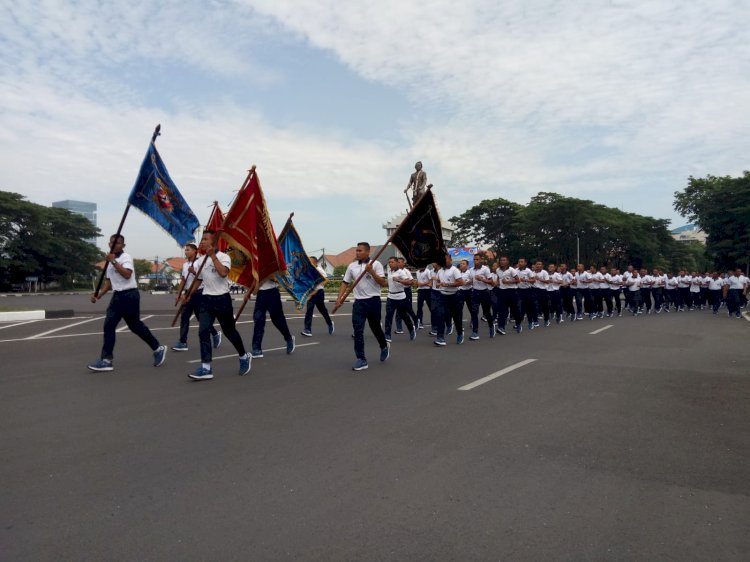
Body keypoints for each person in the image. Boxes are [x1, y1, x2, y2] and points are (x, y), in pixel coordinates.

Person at [87, 234, 167, 372]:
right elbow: (109, 283)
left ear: (123, 246)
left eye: (118, 243)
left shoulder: (125, 258)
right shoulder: (109, 262)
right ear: (109, 244)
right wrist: (98, 295)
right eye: (113, 242)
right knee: (109, 325)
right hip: (117, 296)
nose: (115, 245)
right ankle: (106, 360)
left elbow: (127, 274)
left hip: (130, 295)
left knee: (135, 326)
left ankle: (157, 348)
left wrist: (113, 262)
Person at [187, 230, 251, 380]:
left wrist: (213, 256)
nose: (201, 242)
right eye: (201, 239)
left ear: (213, 242)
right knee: (203, 331)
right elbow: (199, 279)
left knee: (229, 331)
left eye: (205, 239)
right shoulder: (201, 260)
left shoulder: (224, 257)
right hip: (206, 299)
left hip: (222, 299)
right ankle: (206, 368)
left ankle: (243, 356)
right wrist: (188, 294)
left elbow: (223, 273)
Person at [336, 242, 389, 371]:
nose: (357, 253)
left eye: (360, 251)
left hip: (373, 301)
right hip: (359, 303)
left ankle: (384, 346)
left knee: (375, 327)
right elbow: (345, 283)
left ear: (367, 252)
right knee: (358, 330)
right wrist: (339, 298)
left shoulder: (376, 264)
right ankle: (361, 359)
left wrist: (371, 272)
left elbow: (383, 283)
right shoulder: (352, 266)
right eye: (356, 251)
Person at [172, 243, 221, 352]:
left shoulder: (200, 262)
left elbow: (202, 278)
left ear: (195, 251)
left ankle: (215, 333)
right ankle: (183, 342)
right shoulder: (185, 265)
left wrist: (193, 272)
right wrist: (179, 294)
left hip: (199, 293)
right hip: (187, 293)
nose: (186, 252)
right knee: (184, 317)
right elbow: (183, 280)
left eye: (188, 250)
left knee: (201, 319)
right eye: (185, 250)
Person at [251, 277, 295, 358]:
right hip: (260, 294)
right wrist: (248, 292)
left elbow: (279, 277)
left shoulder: (275, 263)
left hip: (272, 293)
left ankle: (288, 338)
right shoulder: (255, 263)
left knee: (277, 320)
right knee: (258, 320)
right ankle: (256, 347)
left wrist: (267, 275)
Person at [433, 252, 465, 346]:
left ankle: (460, 333)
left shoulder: (455, 270)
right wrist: (439, 284)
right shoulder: (440, 271)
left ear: (450, 259)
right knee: (440, 316)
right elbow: (439, 281)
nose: (443, 261)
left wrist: (447, 284)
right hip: (442, 296)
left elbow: (461, 282)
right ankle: (440, 338)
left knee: (456, 317)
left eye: (445, 259)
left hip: (454, 296)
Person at [384, 257, 417, 342]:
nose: (390, 264)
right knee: (388, 316)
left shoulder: (401, 272)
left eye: (392, 262)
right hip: (391, 297)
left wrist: (398, 280)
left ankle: (411, 330)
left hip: (401, 297)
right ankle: (387, 335)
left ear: (396, 263)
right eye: (389, 262)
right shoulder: (389, 271)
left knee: (404, 316)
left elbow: (410, 282)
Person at [301, 256, 334, 337]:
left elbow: (325, 279)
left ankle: (330, 323)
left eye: (311, 261)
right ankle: (307, 329)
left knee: (322, 310)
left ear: (315, 262)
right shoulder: (307, 270)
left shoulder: (319, 270)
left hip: (319, 293)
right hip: (311, 294)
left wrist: (316, 285)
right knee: (309, 311)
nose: (309, 263)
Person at [468, 253, 494, 340]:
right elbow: (471, 280)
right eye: (474, 259)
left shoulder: (485, 269)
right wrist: (465, 283)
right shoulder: (471, 269)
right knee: (474, 313)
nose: (476, 261)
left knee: (487, 313)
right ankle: (475, 332)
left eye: (477, 259)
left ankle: (491, 326)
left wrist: (482, 279)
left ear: (481, 260)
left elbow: (491, 282)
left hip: (484, 292)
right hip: (475, 292)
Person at [495, 256, 522, 334]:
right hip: (502, 292)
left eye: (504, 260)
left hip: (512, 292)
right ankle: (501, 327)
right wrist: (496, 283)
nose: (502, 262)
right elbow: (498, 279)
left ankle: (518, 324)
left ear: (507, 262)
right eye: (501, 260)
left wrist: (508, 282)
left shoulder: (511, 270)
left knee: (515, 310)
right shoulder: (498, 270)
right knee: (501, 310)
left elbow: (518, 280)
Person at [394, 257, 418, 333]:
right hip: (398, 291)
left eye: (400, 262)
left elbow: (411, 281)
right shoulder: (395, 271)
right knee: (398, 310)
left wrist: (400, 281)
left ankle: (416, 320)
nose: (398, 263)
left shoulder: (406, 271)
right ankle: (399, 328)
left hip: (406, 291)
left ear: (403, 263)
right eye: (397, 262)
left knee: (408, 309)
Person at [415, 265, 433, 330]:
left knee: (431, 306)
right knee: (419, 307)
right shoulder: (417, 272)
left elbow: (431, 281)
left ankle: (435, 322)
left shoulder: (428, 271)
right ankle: (419, 322)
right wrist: (418, 284)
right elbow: (417, 281)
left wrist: (423, 284)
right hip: (420, 291)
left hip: (427, 290)